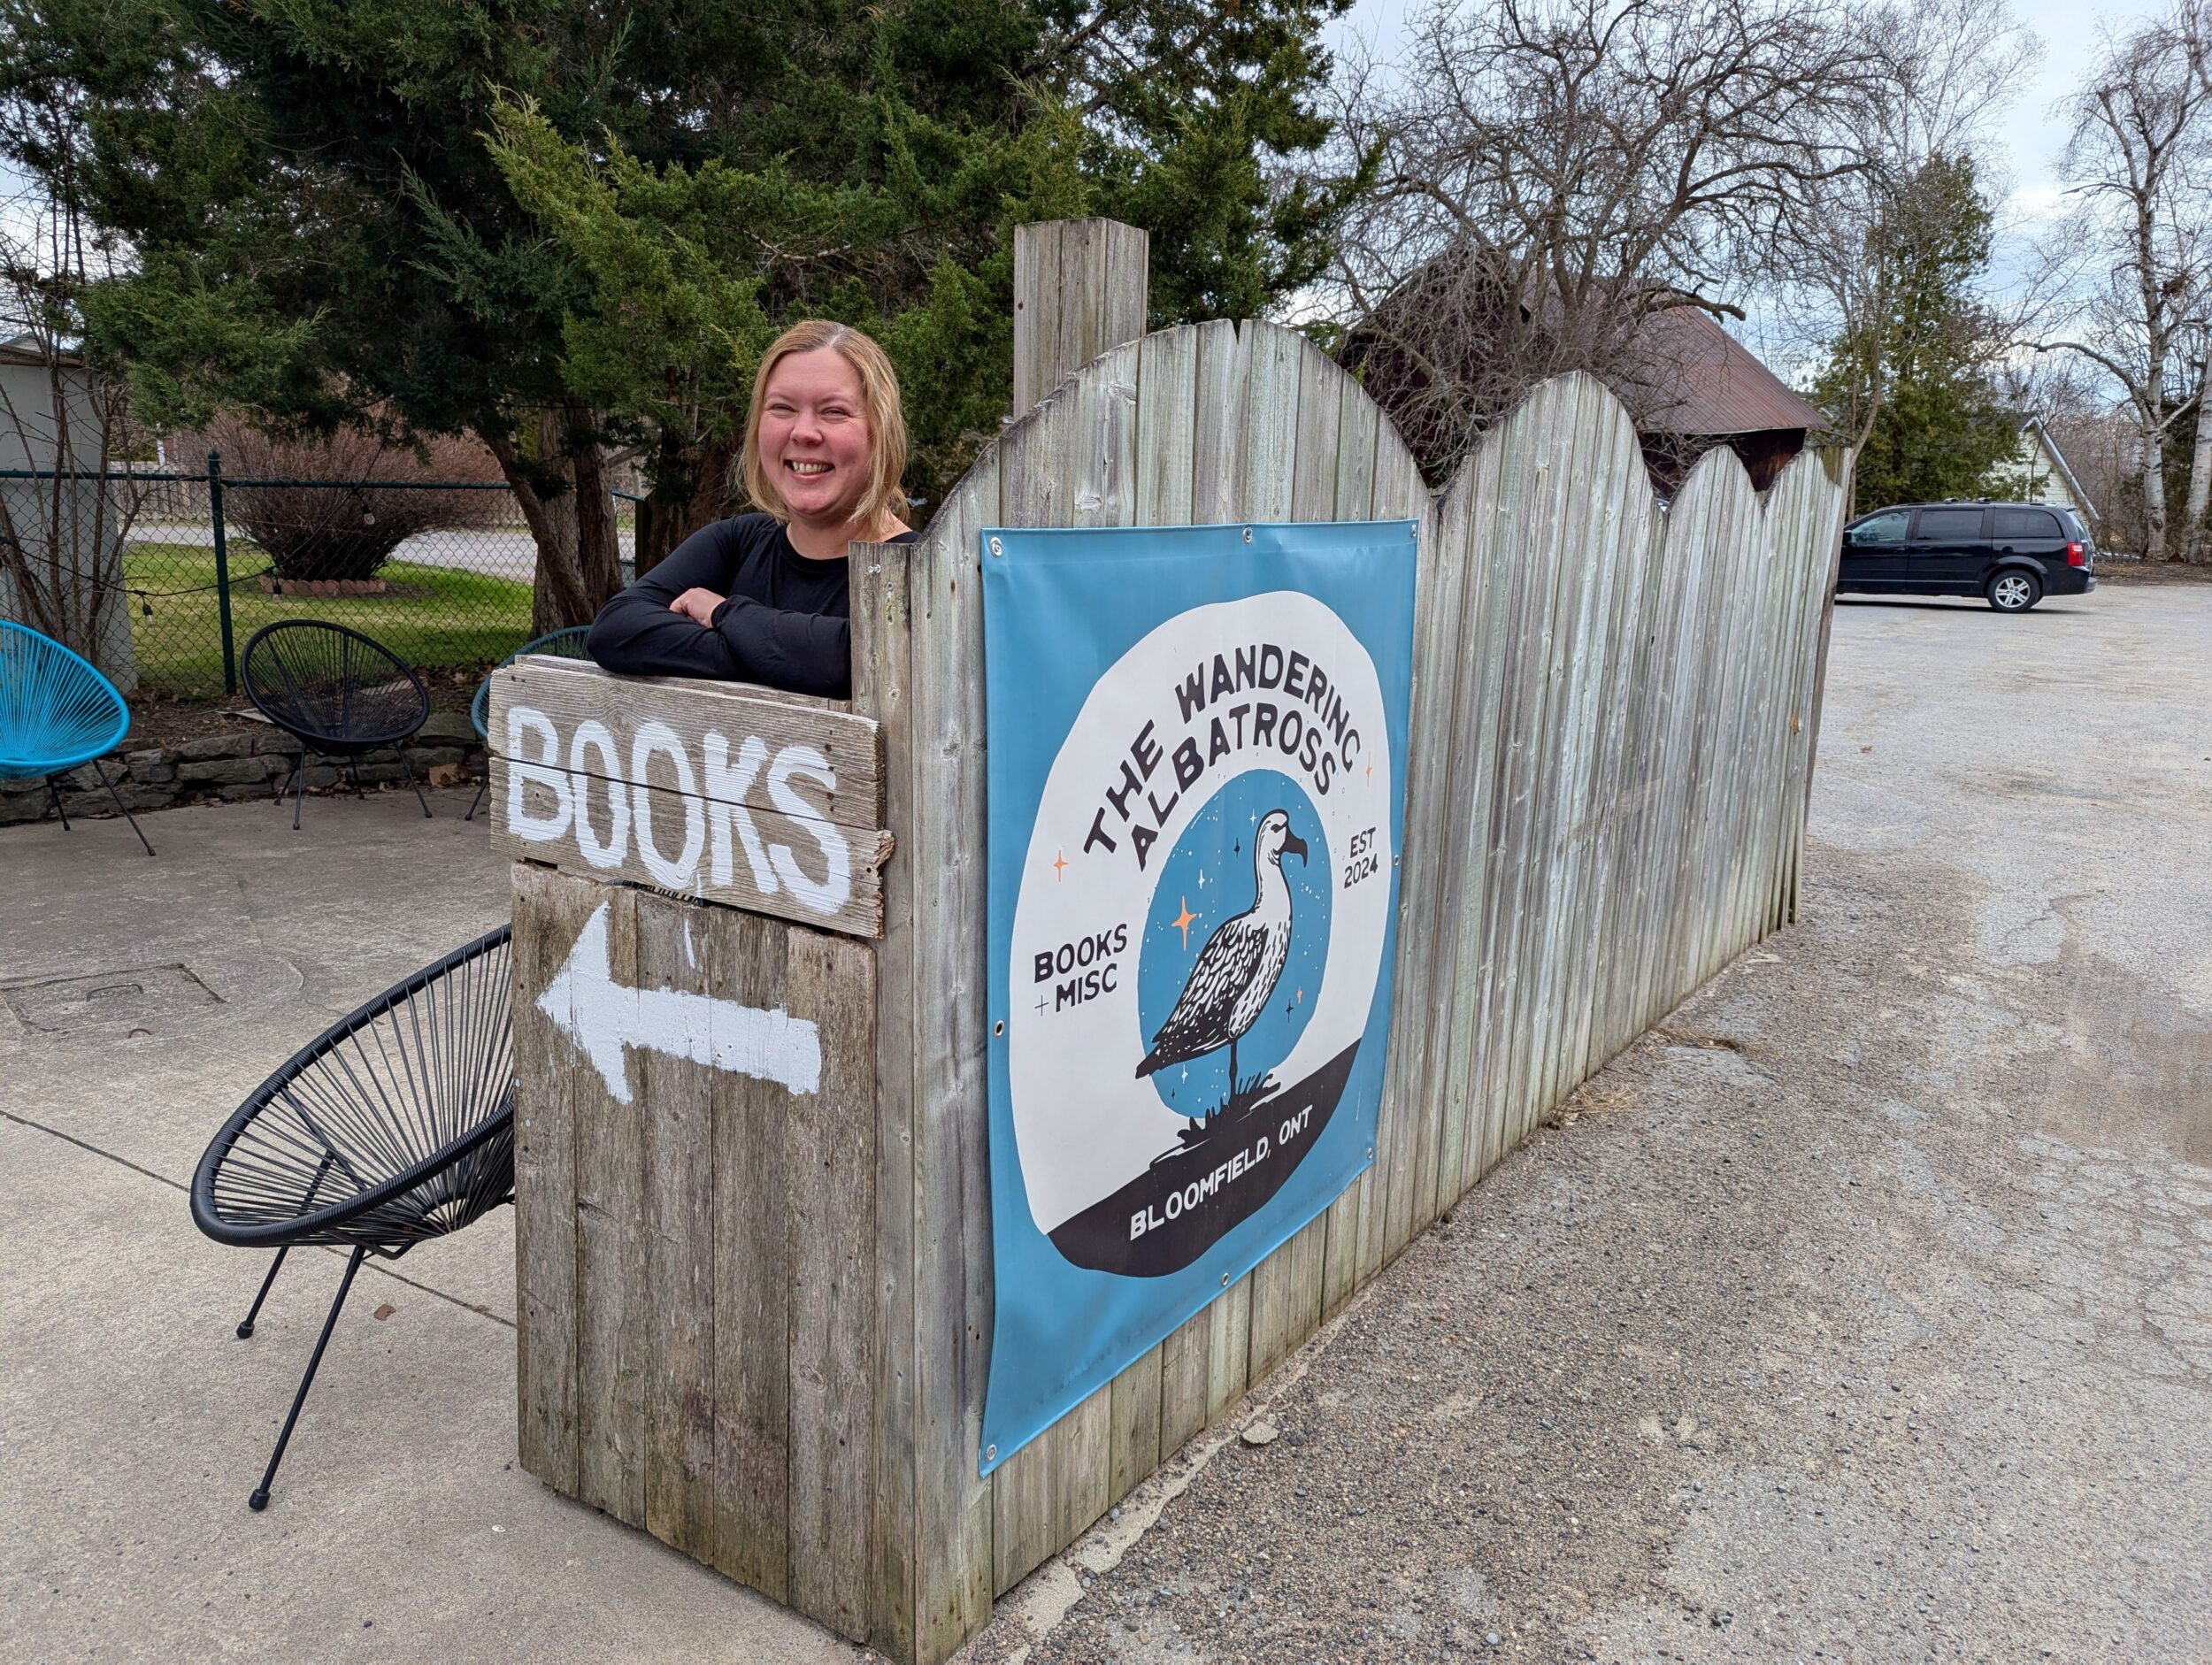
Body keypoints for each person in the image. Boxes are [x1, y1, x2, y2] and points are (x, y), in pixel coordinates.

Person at [587, 319, 917, 700]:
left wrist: (726, 615)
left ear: (882, 432)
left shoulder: (915, 567)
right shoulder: (738, 542)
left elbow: (852, 658)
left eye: (834, 411)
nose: (803, 432)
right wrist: (773, 658)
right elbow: (616, 629)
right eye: (782, 408)